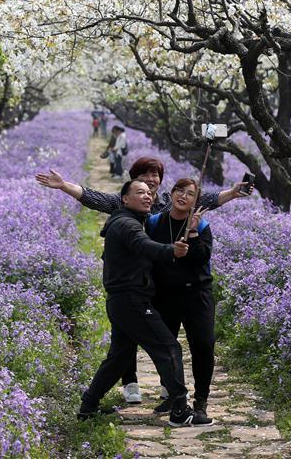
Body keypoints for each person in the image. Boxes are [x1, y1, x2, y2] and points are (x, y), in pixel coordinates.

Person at [36, 156, 254, 403]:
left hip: (173, 287)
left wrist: (233, 193)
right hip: (142, 286)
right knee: (135, 340)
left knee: (146, 342)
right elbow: (94, 197)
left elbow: (201, 200)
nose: (150, 182)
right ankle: (134, 385)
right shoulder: (126, 205)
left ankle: (166, 392)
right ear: (131, 184)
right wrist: (65, 186)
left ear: (161, 181)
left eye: (155, 176)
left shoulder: (164, 203)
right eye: (143, 177)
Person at [77, 180, 213, 427]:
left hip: (122, 301)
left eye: (149, 193)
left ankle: (88, 407)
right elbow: (144, 245)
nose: (148, 196)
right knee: (169, 348)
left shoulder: (129, 221)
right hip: (132, 300)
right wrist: (171, 250)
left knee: (119, 358)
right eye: (140, 193)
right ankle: (180, 410)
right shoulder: (127, 225)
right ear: (125, 200)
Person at [145, 177, 215, 421]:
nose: (183, 196)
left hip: (197, 294)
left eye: (190, 194)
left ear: (196, 201)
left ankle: (201, 400)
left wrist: (193, 232)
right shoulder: (155, 222)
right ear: (172, 193)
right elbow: (149, 254)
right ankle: (175, 398)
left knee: (203, 346)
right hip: (167, 294)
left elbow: (202, 259)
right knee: (167, 347)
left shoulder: (202, 225)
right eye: (179, 191)